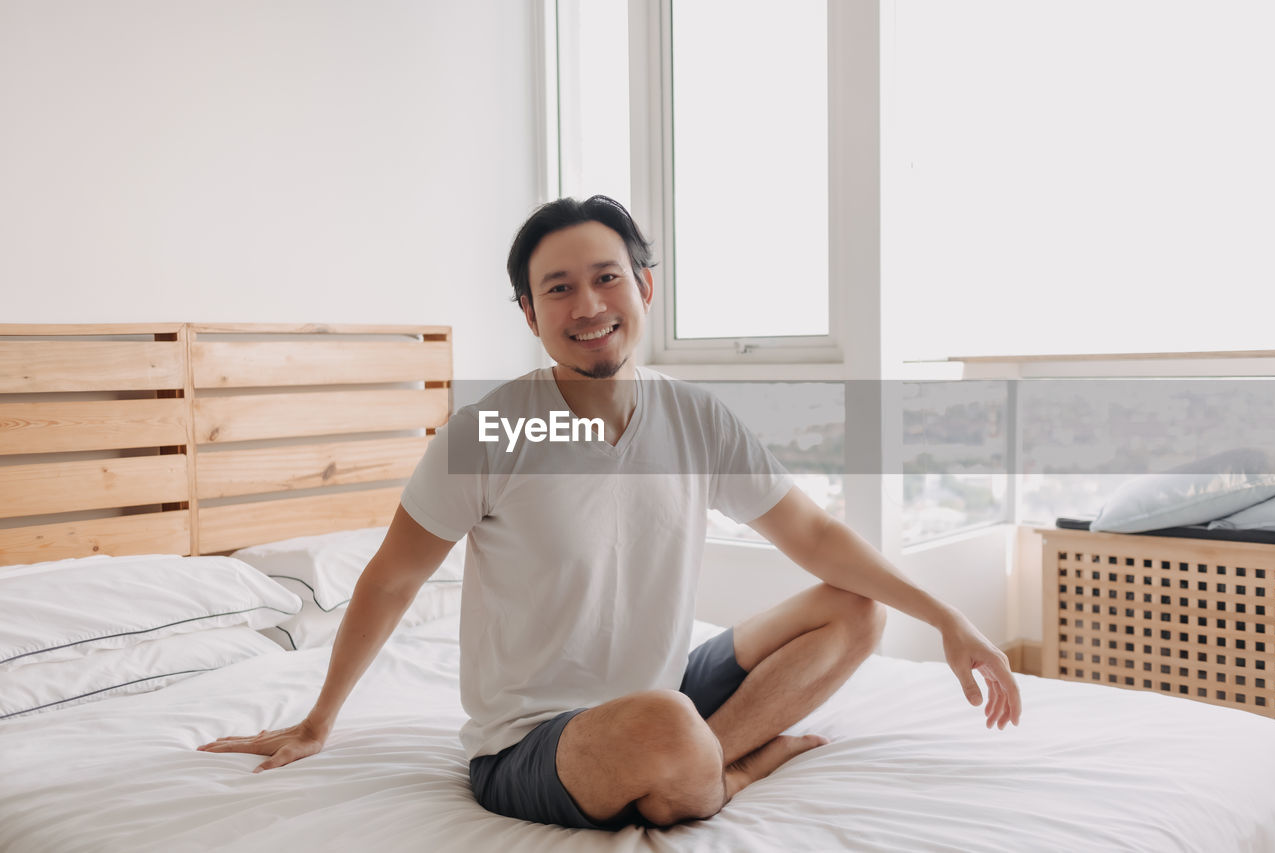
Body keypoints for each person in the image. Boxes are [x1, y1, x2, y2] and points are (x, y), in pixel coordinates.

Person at [197, 195, 1022, 830]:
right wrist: (315, 722)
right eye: (558, 289)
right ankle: (727, 770)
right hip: (532, 743)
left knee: (853, 607)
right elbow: (390, 578)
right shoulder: (489, 431)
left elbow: (813, 534)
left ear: (645, 286)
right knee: (663, 723)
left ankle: (708, 754)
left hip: (659, 692)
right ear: (530, 313)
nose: (587, 303)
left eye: (606, 278)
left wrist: (947, 618)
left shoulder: (694, 415)